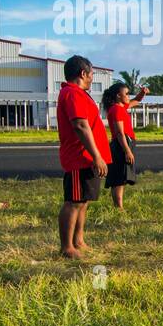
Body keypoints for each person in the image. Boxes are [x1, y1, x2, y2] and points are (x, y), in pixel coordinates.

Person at [57, 55, 110, 258]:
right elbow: (80, 125)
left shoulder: (79, 94)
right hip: (80, 157)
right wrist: (96, 155)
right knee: (74, 201)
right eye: (91, 75)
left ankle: (78, 240)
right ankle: (66, 247)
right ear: (82, 73)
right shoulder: (72, 93)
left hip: (87, 158)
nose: (91, 78)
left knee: (83, 200)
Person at [102, 81, 148, 209]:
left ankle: (118, 207)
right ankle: (118, 207)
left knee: (121, 178)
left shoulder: (121, 107)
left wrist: (142, 93)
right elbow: (120, 133)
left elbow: (137, 100)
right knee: (118, 179)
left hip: (124, 143)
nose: (128, 96)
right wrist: (127, 150)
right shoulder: (116, 110)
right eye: (126, 94)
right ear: (118, 96)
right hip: (121, 144)